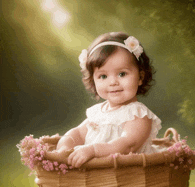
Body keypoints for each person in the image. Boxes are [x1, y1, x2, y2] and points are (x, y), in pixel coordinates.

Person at [46, 32, 163, 168]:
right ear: (93, 80)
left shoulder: (138, 114)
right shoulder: (98, 113)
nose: (113, 82)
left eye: (122, 74)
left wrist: (94, 150)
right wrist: (65, 145)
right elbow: (77, 133)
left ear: (140, 77)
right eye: (103, 76)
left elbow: (127, 144)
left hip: (130, 175)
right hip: (101, 178)